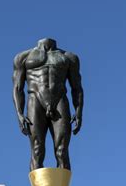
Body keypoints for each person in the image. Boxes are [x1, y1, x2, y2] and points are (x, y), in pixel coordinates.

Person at [12, 38, 83, 171]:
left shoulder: (69, 57)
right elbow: (17, 88)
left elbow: (77, 87)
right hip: (35, 100)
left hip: (59, 100)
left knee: (62, 151)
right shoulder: (23, 57)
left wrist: (78, 111)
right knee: (37, 149)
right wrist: (19, 113)